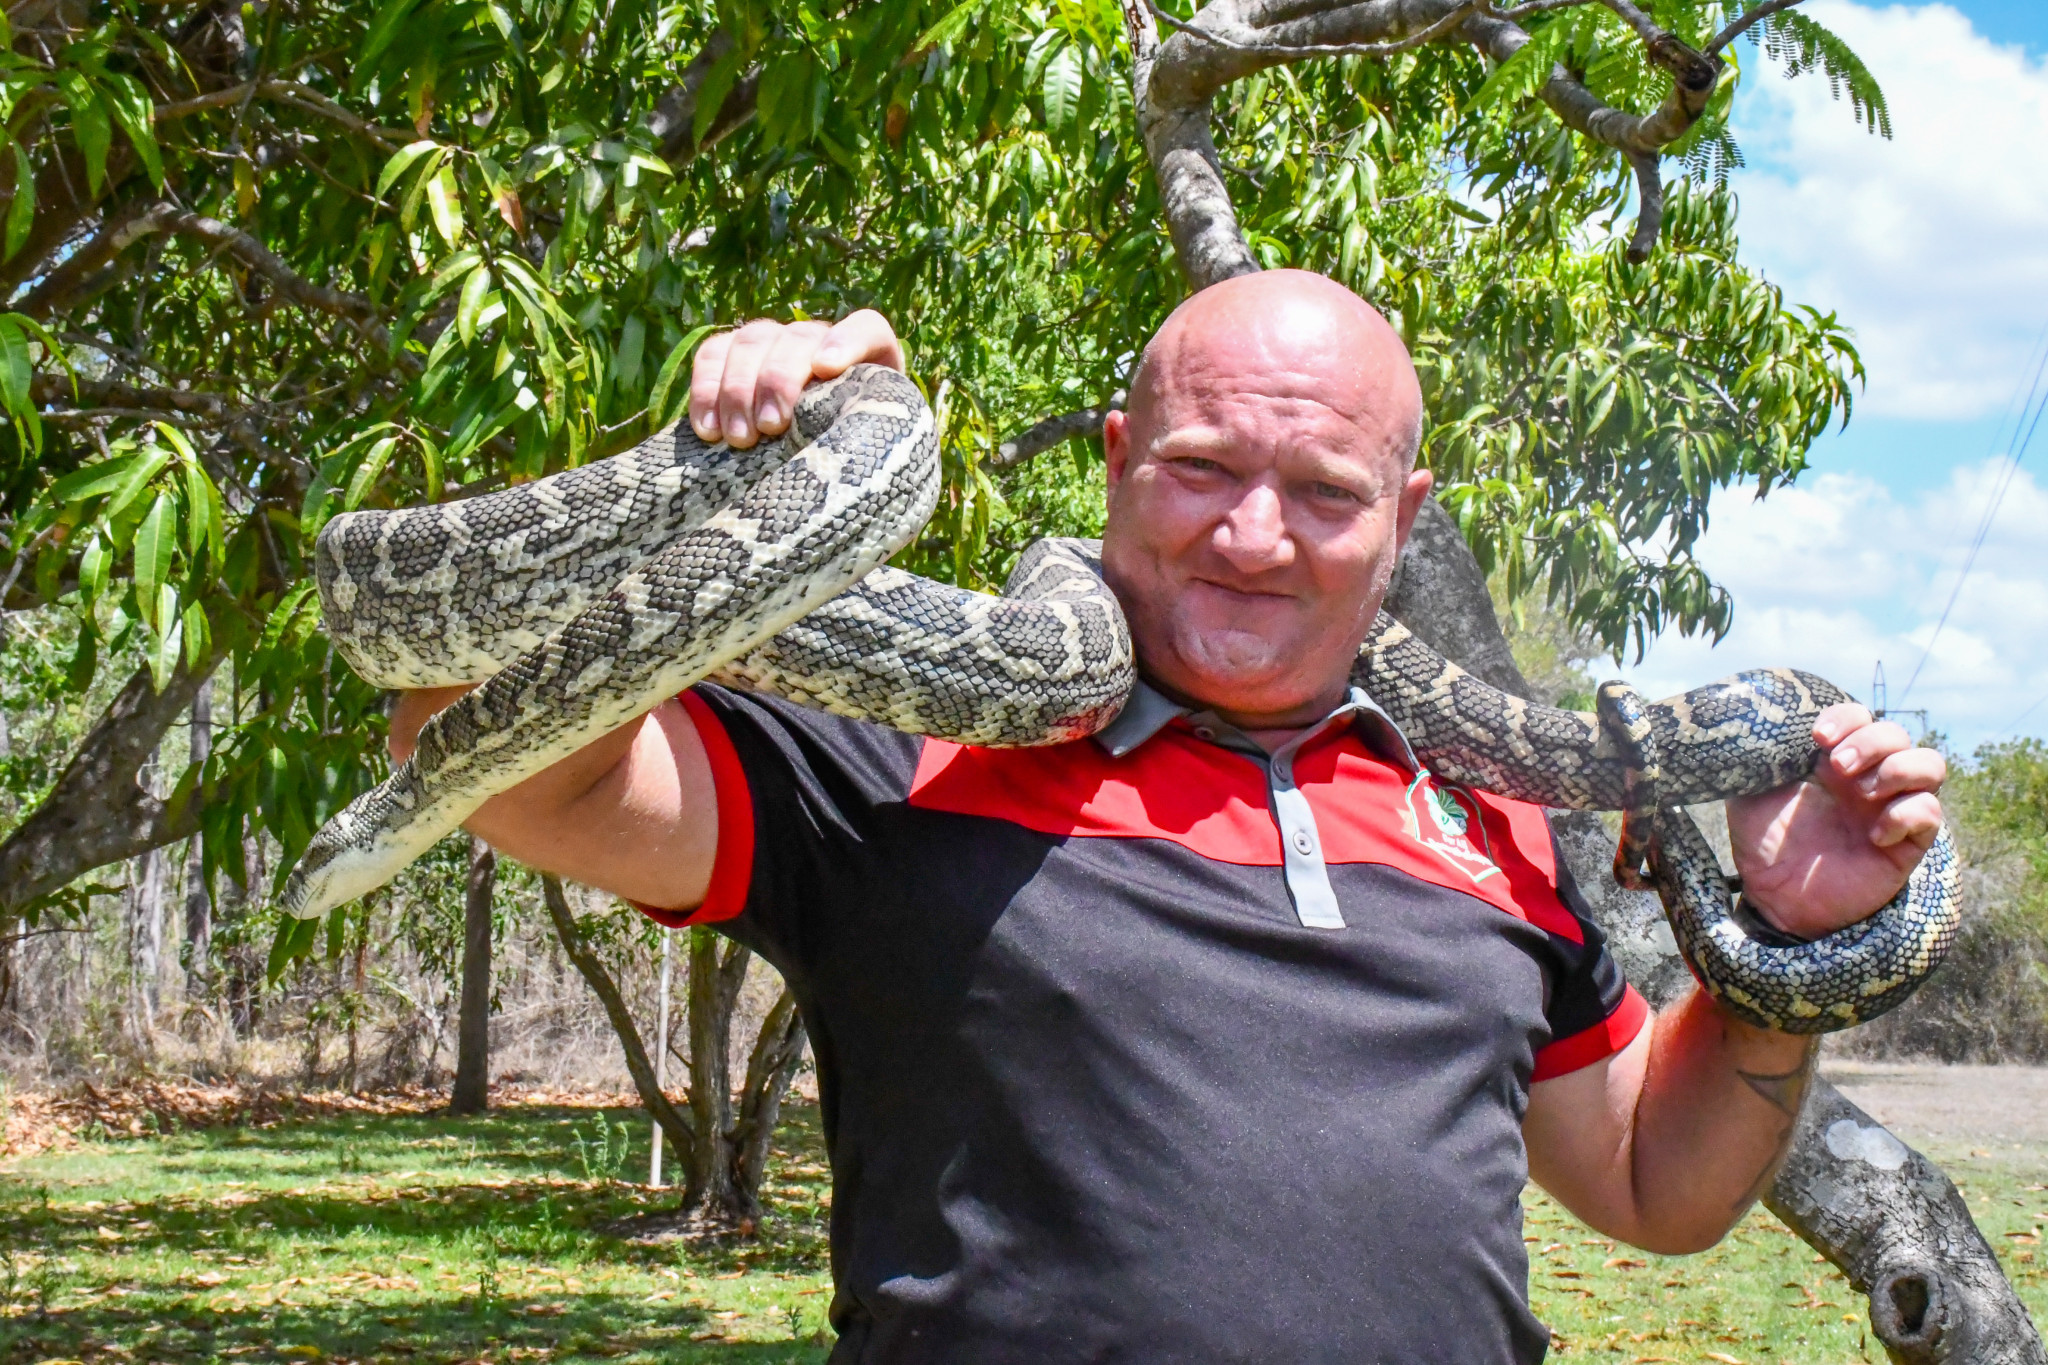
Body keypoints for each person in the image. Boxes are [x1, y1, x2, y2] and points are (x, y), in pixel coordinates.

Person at [390, 270, 1947, 1362]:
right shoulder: (906, 745)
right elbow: (477, 744)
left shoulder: (1493, 806)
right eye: (1203, 468)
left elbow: (1654, 1187)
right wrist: (742, 467)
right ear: (1121, 460)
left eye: (1326, 493)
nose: (1254, 537)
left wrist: (1782, 953)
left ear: (1401, 526)